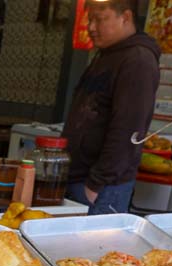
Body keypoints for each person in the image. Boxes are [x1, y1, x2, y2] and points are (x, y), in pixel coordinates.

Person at [62, 0, 160, 214]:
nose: (91, 27)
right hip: (79, 177)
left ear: (125, 17)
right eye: (90, 19)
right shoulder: (106, 55)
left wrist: (95, 185)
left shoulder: (138, 60)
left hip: (102, 187)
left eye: (99, 19)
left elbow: (128, 129)